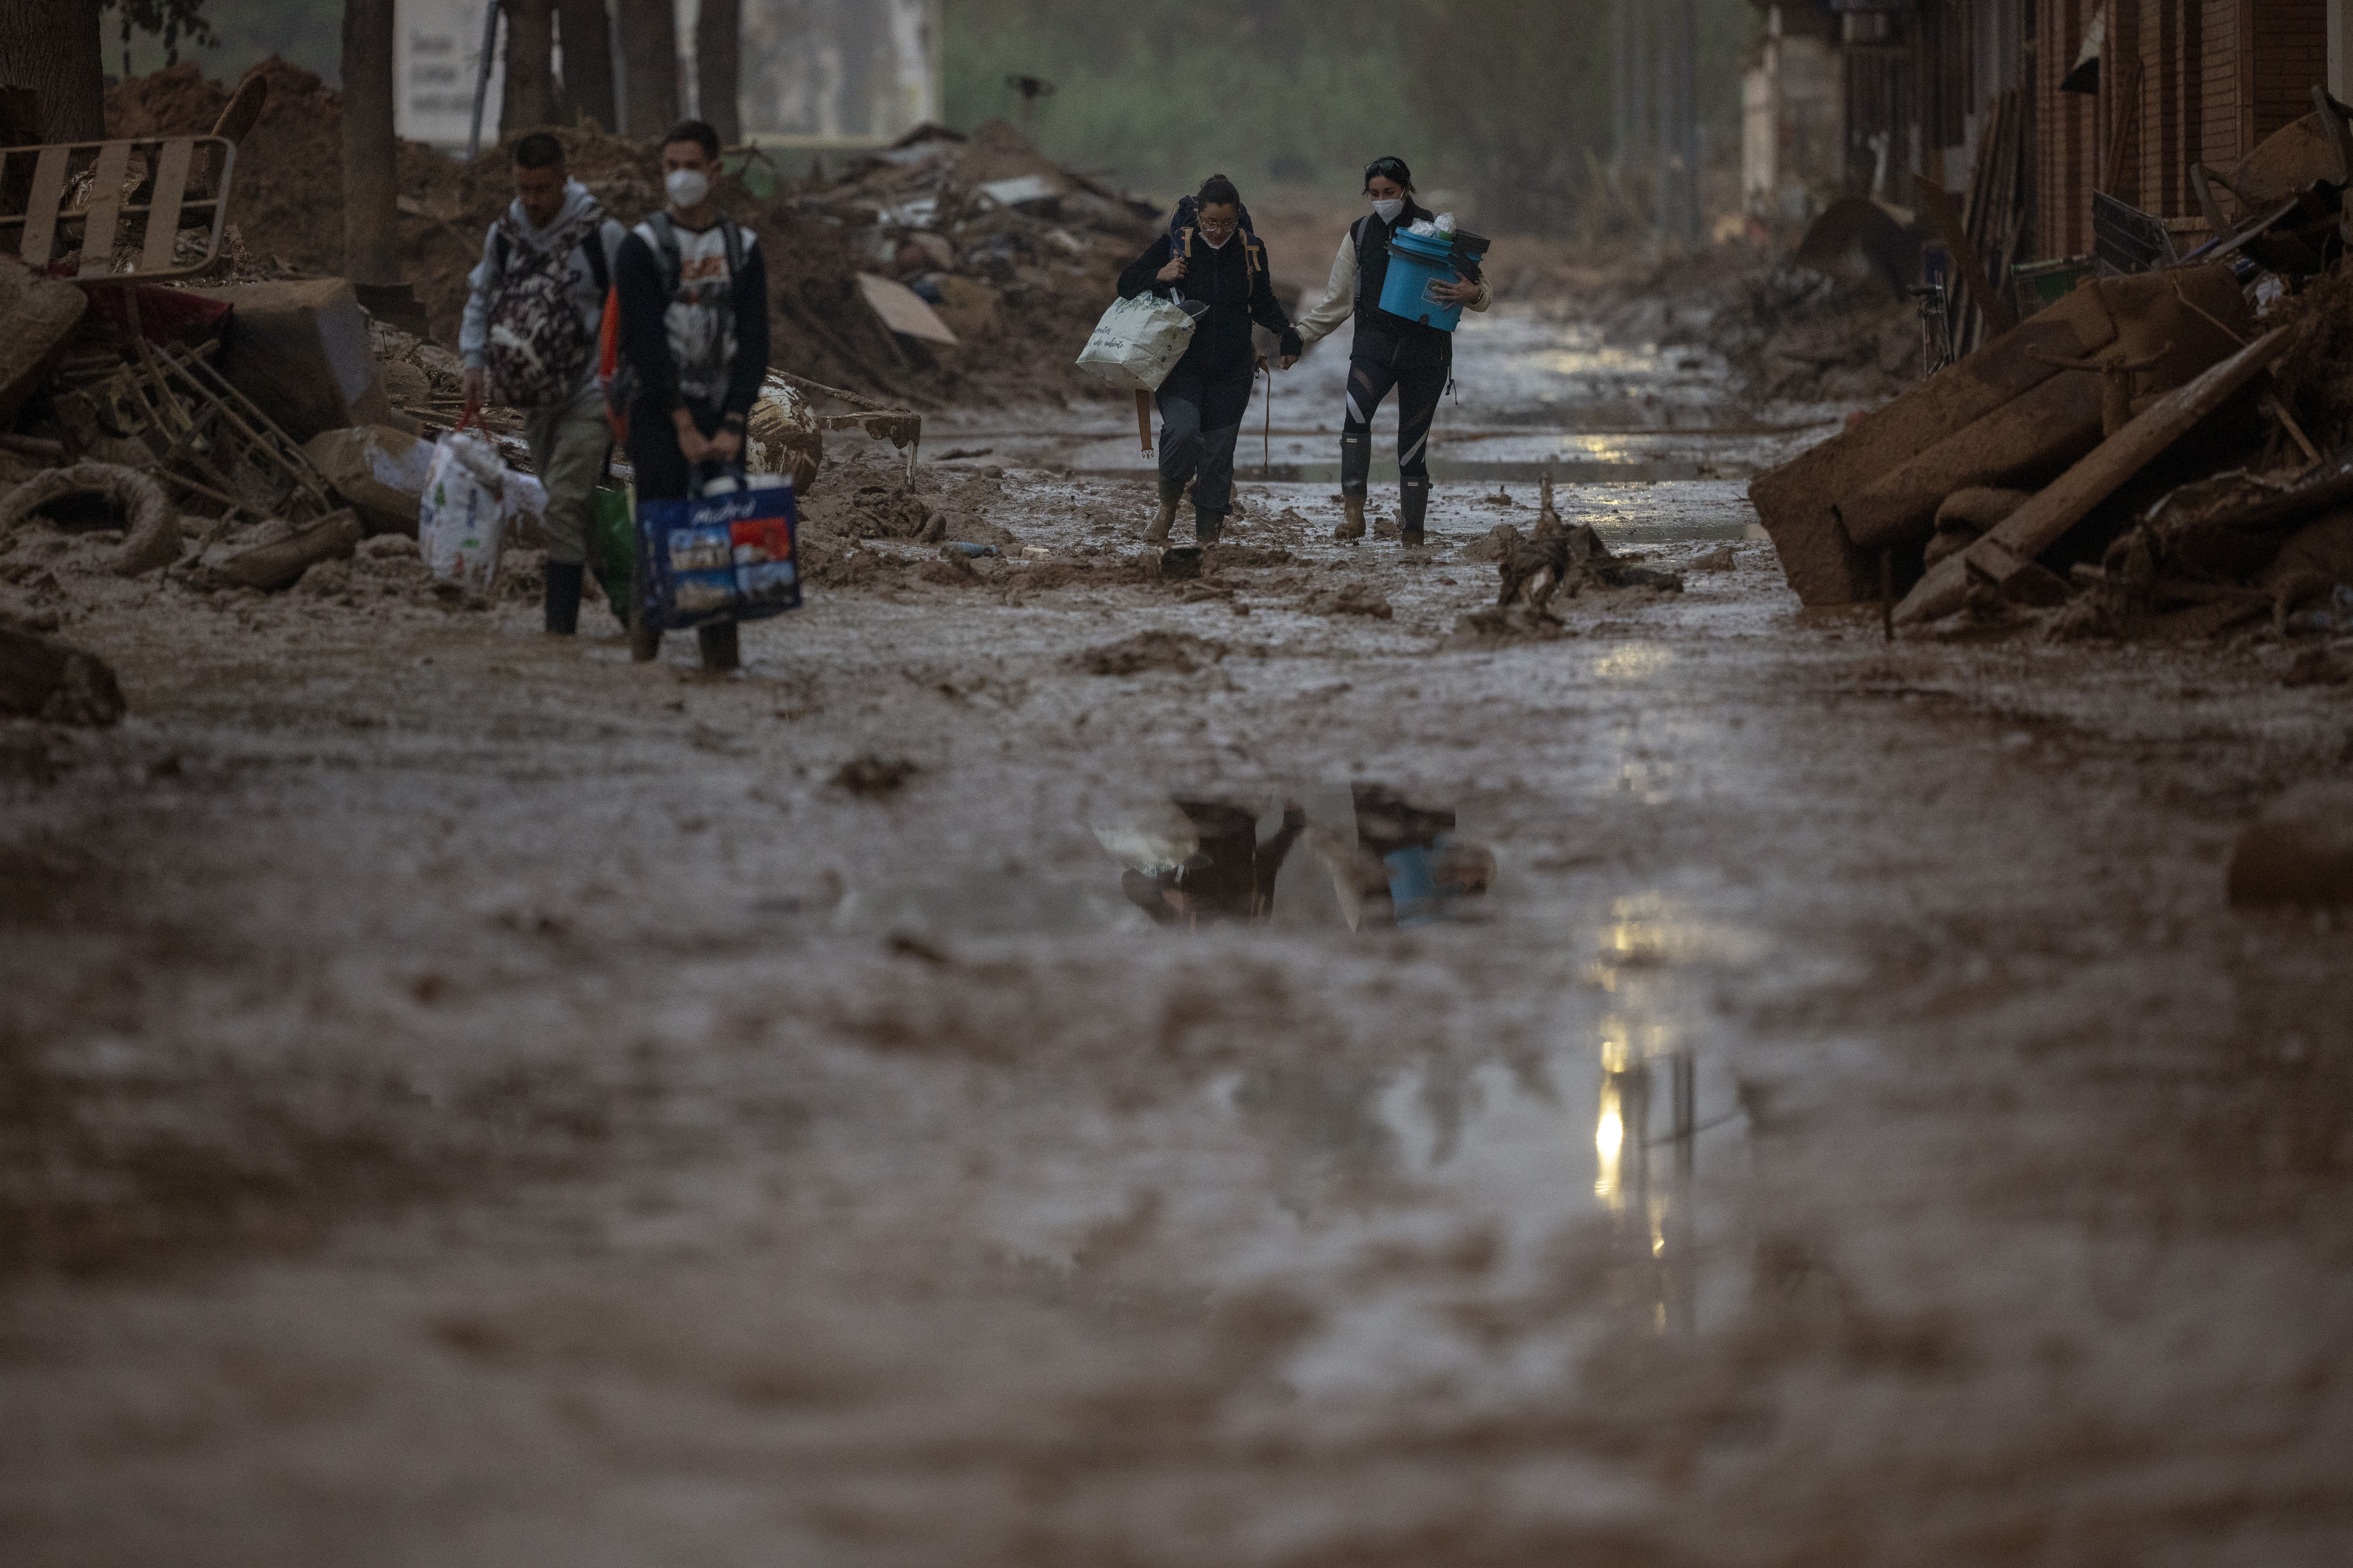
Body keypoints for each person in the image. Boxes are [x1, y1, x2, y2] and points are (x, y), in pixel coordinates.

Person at [614, 118, 771, 670]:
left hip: (723, 409)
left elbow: (756, 344)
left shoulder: (743, 249)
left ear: (714, 171)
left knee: (722, 525)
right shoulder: (641, 248)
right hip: (658, 412)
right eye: (670, 167)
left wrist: (732, 423)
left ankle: (720, 657)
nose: (680, 177)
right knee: (659, 521)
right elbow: (644, 340)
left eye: (690, 167)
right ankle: (645, 645)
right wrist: (680, 421)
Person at [458, 130, 628, 635]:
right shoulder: (505, 235)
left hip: (592, 393)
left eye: (543, 189)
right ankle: (635, 599)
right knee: (575, 505)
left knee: (561, 504)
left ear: (564, 179)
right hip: (534, 398)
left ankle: (560, 631)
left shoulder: (603, 235)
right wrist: (473, 361)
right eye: (524, 189)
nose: (532, 201)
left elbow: (638, 303)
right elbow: (481, 297)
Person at [1293, 155, 1492, 546]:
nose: (1382, 200)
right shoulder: (1360, 234)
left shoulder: (1439, 232)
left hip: (1426, 354)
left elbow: (1482, 290)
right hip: (1373, 347)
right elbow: (1336, 303)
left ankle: (1413, 532)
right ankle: (1354, 516)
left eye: (1390, 193)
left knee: (1412, 448)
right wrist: (1297, 338)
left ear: (1406, 190)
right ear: (1366, 194)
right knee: (1354, 419)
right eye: (1374, 194)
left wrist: (1473, 295)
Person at [1115, 175, 1301, 545]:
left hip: (1233, 369)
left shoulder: (1251, 249)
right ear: (1198, 216)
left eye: (1227, 224)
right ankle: (1168, 505)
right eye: (1211, 223)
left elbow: (1262, 300)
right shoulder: (1176, 245)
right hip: (1180, 363)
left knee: (1218, 455)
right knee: (1183, 433)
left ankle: (1208, 542)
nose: (1218, 232)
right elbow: (1125, 285)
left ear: (1238, 218)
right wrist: (1159, 275)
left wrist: (1287, 333)